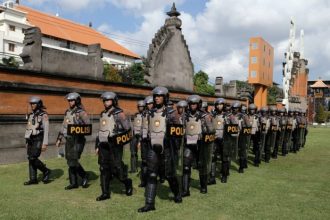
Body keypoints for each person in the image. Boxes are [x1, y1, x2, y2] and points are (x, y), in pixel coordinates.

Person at [138, 87, 182, 212]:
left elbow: (178, 131)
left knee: (169, 175)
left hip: (167, 148)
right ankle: (149, 203)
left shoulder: (171, 113)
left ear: (165, 97)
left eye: (159, 96)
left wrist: (176, 146)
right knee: (151, 175)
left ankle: (177, 194)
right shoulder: (150, 112)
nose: (156, 98)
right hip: (153, 147)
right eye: (155, 96)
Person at [95, 92, 133, 201]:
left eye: (108, 100)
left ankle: (127, 182)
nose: (105, 102)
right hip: (103, 145)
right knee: (103, 168)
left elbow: (127, 129)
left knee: (116, 168)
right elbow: (100, 131)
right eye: (104, 100)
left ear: (114, 101)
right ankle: (105, 193)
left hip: (115, 144)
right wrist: (97, 146)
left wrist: (120, 136)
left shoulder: (119, 113)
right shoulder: (102, 114)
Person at [56, 92, 89, 190]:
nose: (70, 102)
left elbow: (88, 126)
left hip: (78, 139)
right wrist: (59, 138)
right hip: (69, 139)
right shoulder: (67, 112)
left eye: (72, 100)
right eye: (69, 100)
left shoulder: (81, 112)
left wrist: (79, 126)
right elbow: (63, 126)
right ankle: (73, 183)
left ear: (77, 100)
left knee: (73, 160)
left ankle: (84, 176)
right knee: (69, 160)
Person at [182, 95, 214, 195]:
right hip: (188, 144)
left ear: (198, 104)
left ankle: (203, 186)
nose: (192, 105)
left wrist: (205, 132)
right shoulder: (184, 115)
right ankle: (185, 190)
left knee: (202, 165)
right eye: (191, 103)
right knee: (186, 166)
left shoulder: (204, 116)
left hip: (200, 144)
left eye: (194, 104)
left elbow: (211, 130)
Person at [24, 96, 51, 185]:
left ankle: (46, 171)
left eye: (34, 103)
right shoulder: (31, 115)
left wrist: (45, 143)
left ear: (39, 104)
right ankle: (33, 179)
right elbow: (28, 128)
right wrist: (27, 141)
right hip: (30, 139)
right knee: (30, 158)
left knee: (33, 157)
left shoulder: (44, 115)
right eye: (31, 104)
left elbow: (46, 130)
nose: (32, 105)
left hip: (39, 138)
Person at [221, 101, 241, 183]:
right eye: (225, 107)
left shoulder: (231, 116)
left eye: (228, 107)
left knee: (225, 157)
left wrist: (230, 119)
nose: (227, 109)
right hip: (217, 138)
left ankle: (225, 174)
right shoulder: (216, 115)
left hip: (227, 138)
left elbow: (236, 127)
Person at [208, 98, 225, 185]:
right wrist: (211, 115)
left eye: (221, 104)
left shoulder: (227, 115)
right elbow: (208, 123)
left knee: (224, 158)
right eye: (217, 104)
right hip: (214, 138)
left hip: (224, 139)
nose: (219, 106)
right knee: (213, 157)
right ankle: (212, 177)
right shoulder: (212, 115)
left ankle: (224, 175)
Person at [139, 96, 154, 187]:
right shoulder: (144, 113)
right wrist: (140, 140)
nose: (149, 105)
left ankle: (152, 180)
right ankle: (144, 181)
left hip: (153, 140)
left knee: (152, 161)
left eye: (151, 103)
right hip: (144, 140)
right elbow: (142, 127)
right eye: (148, 104)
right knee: (144, 161)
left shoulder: (157, 113)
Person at [130, 100, 145, 173]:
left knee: (144, 154)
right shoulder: (136, 115)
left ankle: (144, 169)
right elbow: (133, 126)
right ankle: (133, 168)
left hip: (142, 136)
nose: (140, 108)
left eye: (142, 107)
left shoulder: (146, 115)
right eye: (139, 107)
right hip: (134, 136)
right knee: (133, 153)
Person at [238, 105, 251, 173]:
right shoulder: (236, 115)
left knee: (242, 151)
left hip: (242, 135)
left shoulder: (245, 116)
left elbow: (248, 126)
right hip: (234, 134)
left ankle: (242, 166)